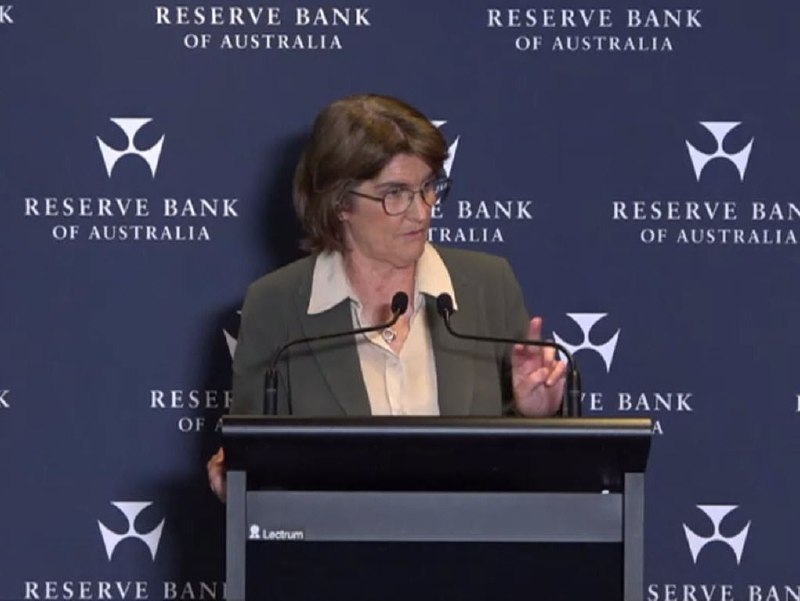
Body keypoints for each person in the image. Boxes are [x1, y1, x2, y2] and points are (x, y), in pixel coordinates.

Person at [207, 94, 566, 501]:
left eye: (429, 187)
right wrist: (239, 481)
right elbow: (255, 467)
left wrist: (536, 415)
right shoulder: (276, 305)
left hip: (470, 539)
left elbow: (531, 473)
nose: (422, 212)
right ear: (340, 203)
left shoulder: (488, 285)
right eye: (395, 193)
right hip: (335, 541)